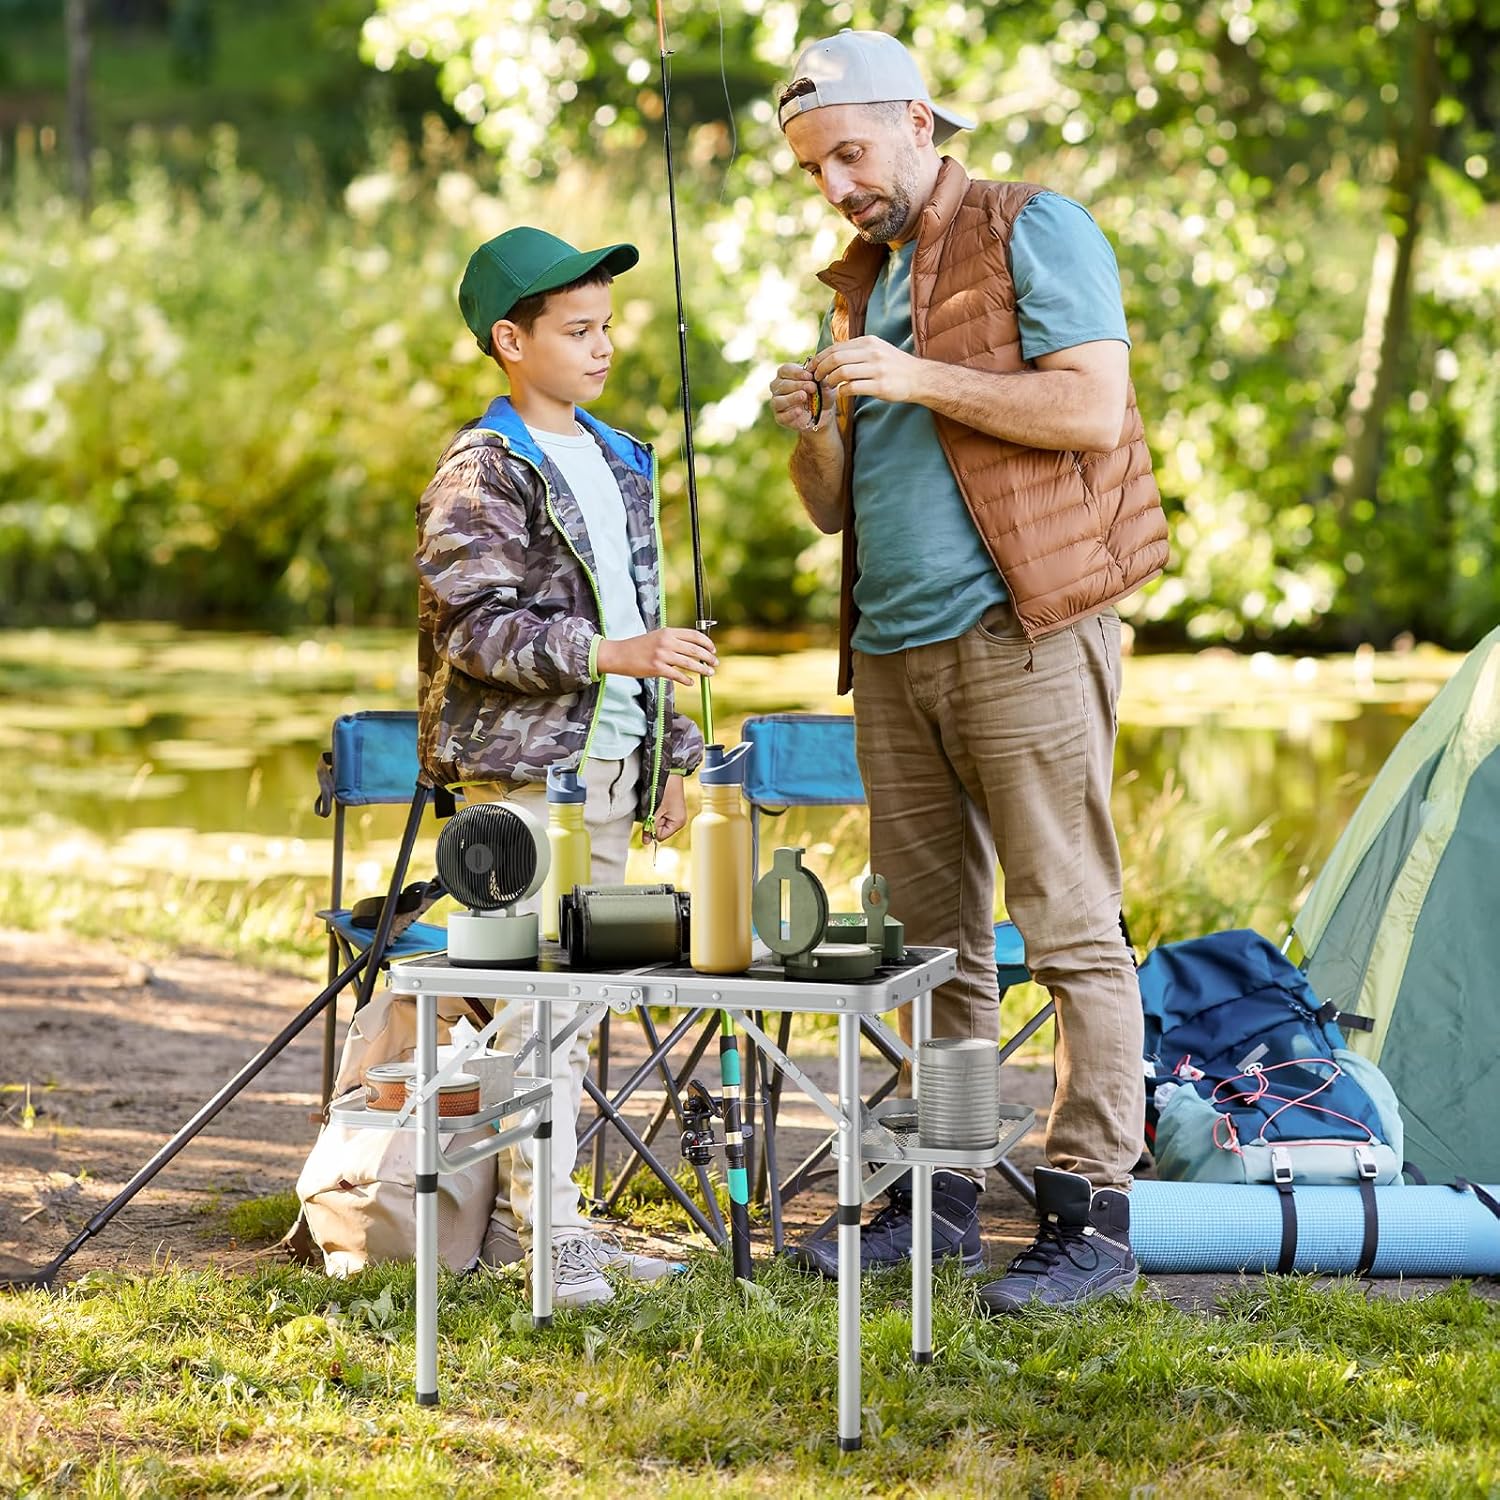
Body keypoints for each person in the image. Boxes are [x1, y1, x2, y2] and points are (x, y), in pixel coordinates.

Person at [769, 31, 1169, 1310]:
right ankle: (938, 1195)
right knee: (933, 952)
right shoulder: (858, 285)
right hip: (892, 655)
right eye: (814, 169)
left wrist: (914, 376)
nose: (835, 186)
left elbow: (1090, 410)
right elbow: (832, 509)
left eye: (849, 153)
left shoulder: (1032, 228)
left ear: (919, 121)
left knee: (1071, 930)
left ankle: (1093, 1217)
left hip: (1023, 634)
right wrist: (816, 429)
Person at [416, 226, 713, 1306]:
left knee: (576, 1009)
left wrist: (672, 753)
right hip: (528, 785)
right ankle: (549, 1240)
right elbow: (474, 632)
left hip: (613, 772)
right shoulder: (482, 472)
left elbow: (646, 616)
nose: (604, 347)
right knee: (540, 1010)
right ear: (511, 341)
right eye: (578, 330)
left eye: (607, 326)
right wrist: (609, 655)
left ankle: (555, 1225)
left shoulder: (619, 455)